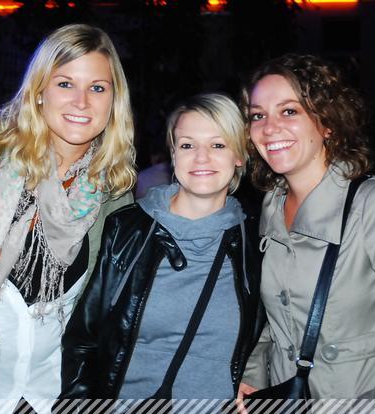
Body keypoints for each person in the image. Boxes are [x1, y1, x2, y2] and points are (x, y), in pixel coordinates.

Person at [0, 24, 136, 411]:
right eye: (65, 84)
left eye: (97, 88)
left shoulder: (115, 195)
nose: (82, 102)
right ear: (39, 91)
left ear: (113, 101)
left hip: (49, 393)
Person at [59, 93, 263, 401]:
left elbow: (274, 336)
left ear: (239, 156)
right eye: (188, 145)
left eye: (218, 145)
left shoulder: (257, 244)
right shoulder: (128, 229)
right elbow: (83, 339)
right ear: (173, 154)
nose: (202, 157)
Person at [239, 54, 375, 398]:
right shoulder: (272, 204)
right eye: (258, 115)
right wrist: (255, 374)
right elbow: (279, 320)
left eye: (289, 111)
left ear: (328, 122)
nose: (269, 128)